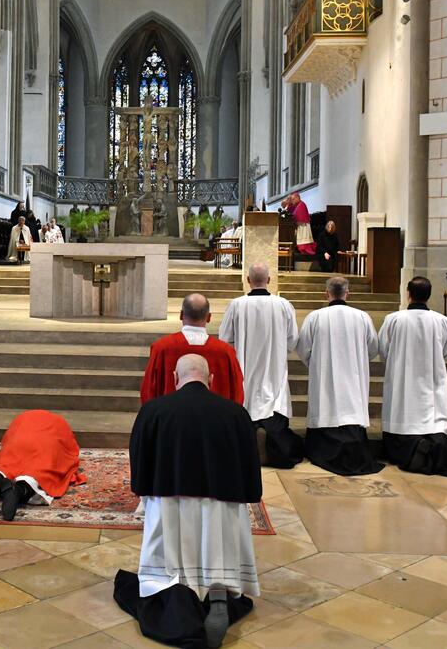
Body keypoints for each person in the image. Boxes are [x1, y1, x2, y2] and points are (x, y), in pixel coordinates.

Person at [117, 354, 260, 648]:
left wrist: (144, 491)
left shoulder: (154, 411)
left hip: (168, 502)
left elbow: (139, 459)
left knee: (169, 569)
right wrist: (247, 495)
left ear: (174, 378)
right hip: (222, 503)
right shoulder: (235, 413)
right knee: (217, 554)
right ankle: (217, 590)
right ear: (210, 380)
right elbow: (250, 464)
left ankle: (180, 599)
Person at [218, 264, 303, 468]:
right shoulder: (283, 305)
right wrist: (279, 350)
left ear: (248, 280)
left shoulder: (236, 305)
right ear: (269, 280)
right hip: (274, 368)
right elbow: (293, 339)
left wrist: (241, 351)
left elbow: (225, 338)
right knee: (274, 401)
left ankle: (248, 442)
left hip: (244, 367)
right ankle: (273, 441)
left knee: (246, 400)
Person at [297, 276, 383, 475]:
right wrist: (358, 361)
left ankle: (323, 450)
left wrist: (318, 364)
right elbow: (373, 348)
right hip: (353, 376)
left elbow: (303, 349)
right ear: (348, 293)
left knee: (325, 404)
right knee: (351, 406)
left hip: (324, 374)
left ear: (326, 293)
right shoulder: (362, 317)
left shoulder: (315, 317)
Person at [377, 276, 447, 476]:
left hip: (401, 378)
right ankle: (428, 447)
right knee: (433, 419)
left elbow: (383, 350)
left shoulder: (394, 319)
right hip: (431, 377)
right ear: (429, 295)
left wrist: (396, 362)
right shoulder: (441, 321)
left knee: (402, 413)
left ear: (408, 294)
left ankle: (410, 450)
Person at [0, 410, 86, 521]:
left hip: (18, 441)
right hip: (45, 444)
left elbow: (7, 439)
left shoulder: (21, 420)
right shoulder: (60, 424)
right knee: (37, 472)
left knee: (6, 465)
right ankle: (20, 489)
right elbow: (70, 450)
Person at [142, 294, 244, 405]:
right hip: (216, 420)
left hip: (171, 420)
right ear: (209, 317)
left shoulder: (161, 348)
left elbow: (148, 392)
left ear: (181, 315)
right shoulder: (226, 352)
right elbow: (237, 393)